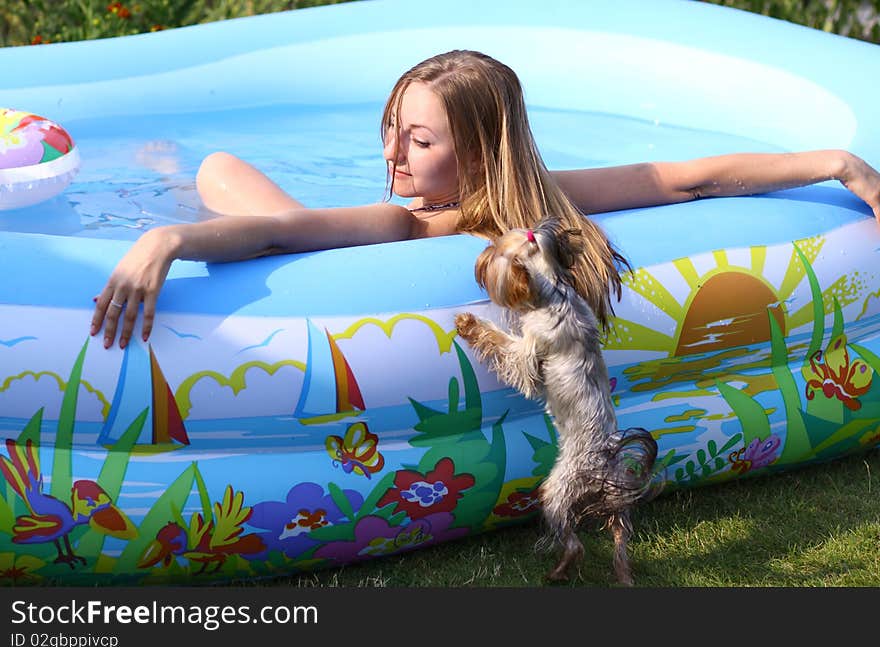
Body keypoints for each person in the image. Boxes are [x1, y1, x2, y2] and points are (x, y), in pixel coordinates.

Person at [91, 49, 880, 350]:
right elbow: (275, 235)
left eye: (419, 142)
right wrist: (167, 239)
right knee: (218, 169)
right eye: (392, 129)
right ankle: (173, 176)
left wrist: (840, 163)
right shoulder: (441, 210)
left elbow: (687, 179)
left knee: (226, 178)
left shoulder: (444, 215)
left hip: (320, 228)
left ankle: (177, 179)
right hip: (298, 221)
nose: (392, 155)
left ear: (481, 154)